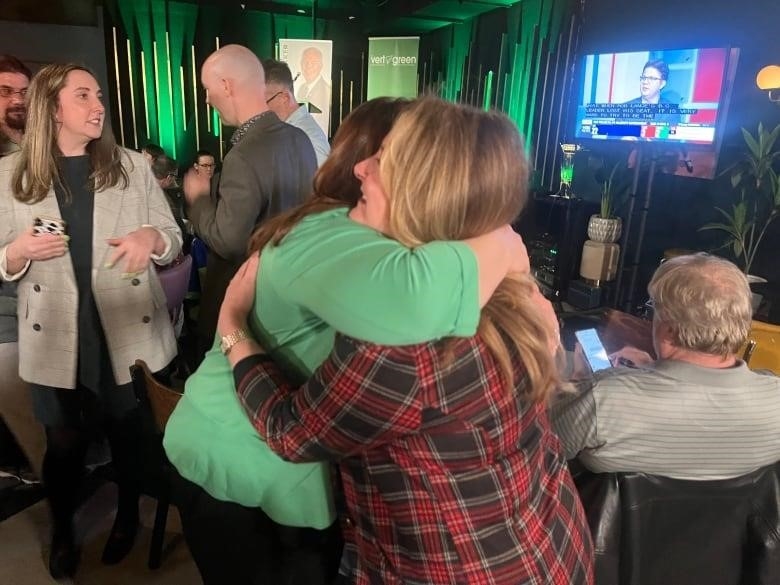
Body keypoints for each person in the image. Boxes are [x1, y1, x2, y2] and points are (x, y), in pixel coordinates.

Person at [218, 97, 594, 584]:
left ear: (424, 191)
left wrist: (233, 326)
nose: (360, 167)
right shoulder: (507, 282)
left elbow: (291, 432)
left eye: (384, 159)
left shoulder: (402, 345)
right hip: (552, 543)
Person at [0, 63, 182, 579]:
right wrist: (17, 250)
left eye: (99, 94)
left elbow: (172, 238)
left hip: (125, 328)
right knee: (63, 445)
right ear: (52, 107)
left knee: (130, 439)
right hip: (55, 333)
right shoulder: (11, 175)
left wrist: (153, 240)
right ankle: (63, 528)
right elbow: (1, 258)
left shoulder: (130, 166)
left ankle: (127, 516)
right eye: (83, 96)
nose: (98, 104)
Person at [552, 253, 780, 480]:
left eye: (654, 309)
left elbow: (538, 453)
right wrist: (652, 367)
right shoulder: (775, 400)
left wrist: (579, 379)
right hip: (733, 517)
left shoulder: (604, 398)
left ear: (669, 328)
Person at [183, 44, 316, 358]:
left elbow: (229, 242)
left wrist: (199, 199)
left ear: (227, 86)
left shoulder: (243, 155)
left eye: (207, 88)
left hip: (246, 311)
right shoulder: (299, 139)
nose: (206, 98)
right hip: (289, 302)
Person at [0, 54, 46, 481]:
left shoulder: (42, 153)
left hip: (45, 294)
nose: (17, 100)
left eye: (23, 93)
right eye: (5, 91)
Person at [263, 58, 330, 166]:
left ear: (284, 98)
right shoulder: (291, 133)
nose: (259, 109)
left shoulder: (308, 141)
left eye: (263, 102)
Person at [294, 46, 331, 133]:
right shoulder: (302, 88)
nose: (308, 66)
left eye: (313, 62)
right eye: (305, 62)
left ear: (321, 66)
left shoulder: (327, 90)